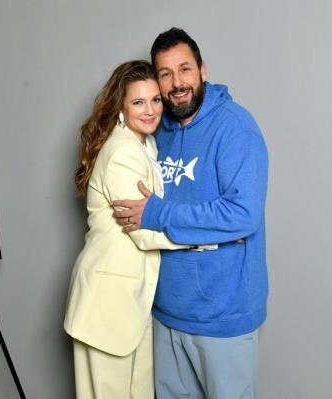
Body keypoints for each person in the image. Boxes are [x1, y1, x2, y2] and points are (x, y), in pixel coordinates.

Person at [112, 28, 269, 399]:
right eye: (165, 74)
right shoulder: (156, 130)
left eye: (184, 69)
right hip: (166, 313)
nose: (176, 83)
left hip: (223, 315)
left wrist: (159, 213)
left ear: (202, 70)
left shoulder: (235, 127)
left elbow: (242, 214)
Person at [64, 60, 217, 399]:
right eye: (138, 102)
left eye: (155, 100)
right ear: (120, 105)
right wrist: (207, 237)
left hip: (132, 305)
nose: (150, 111)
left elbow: (152, 216)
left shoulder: (145, 144)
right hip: (106, 305)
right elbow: (143, 232)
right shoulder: (121, 153)